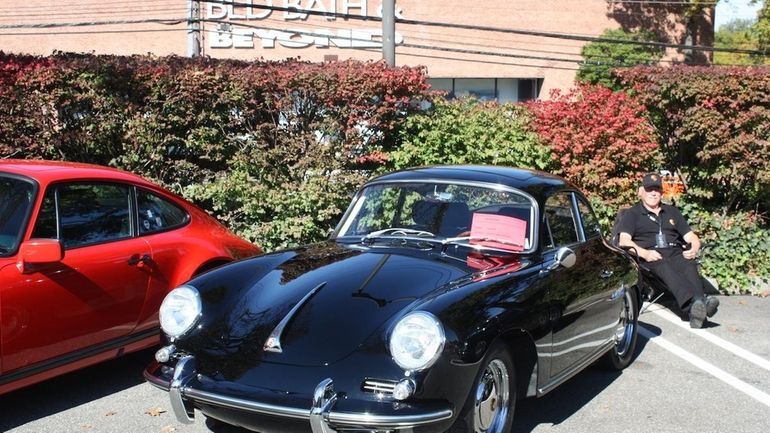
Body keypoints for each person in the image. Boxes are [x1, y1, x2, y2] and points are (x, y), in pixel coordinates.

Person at [618, 173, 719, 328]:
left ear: (662, 192)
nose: (653, 193)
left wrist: (694, 248)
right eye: (649, 189)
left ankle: (697, 309)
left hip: (676, 252)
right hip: (651, 257)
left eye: (657, 189)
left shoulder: (672, 212)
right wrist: (645, 253)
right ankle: (695, 307)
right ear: (641, 191)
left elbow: (691, 237)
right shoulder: (632, 214)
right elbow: (623, 241)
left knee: (689, 264)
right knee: (664, 266)